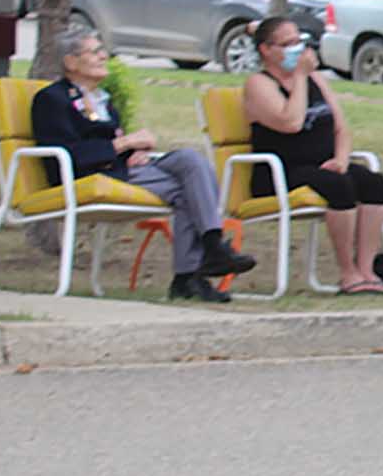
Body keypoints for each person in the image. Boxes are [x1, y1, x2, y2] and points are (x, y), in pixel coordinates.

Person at [31, 26, 253, 304]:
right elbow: (67, 155)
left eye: (103, 51)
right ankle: (193, 272)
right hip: (87, 176)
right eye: (96, 51)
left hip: (120, 169)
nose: (104, 56)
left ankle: (208, 251)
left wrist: (132, 151)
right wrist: (121, 146)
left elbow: (109, 144)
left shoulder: (104, 101)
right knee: (188, 190)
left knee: (192, 160)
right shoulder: (52, 99)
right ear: (71, 62)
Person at [241, 15, 383, 293]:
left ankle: (366, 270)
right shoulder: (259, 84)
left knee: (373, 183)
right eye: (287, 44)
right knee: (339, 187)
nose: (297, 49)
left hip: (323, 164)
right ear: (267, 50)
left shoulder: (316, 80)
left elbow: (341, 127)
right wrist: (299, 77)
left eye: (299, 42)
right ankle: (348, 274)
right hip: (281, 172)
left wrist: (341, 159)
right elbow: (291, 122)